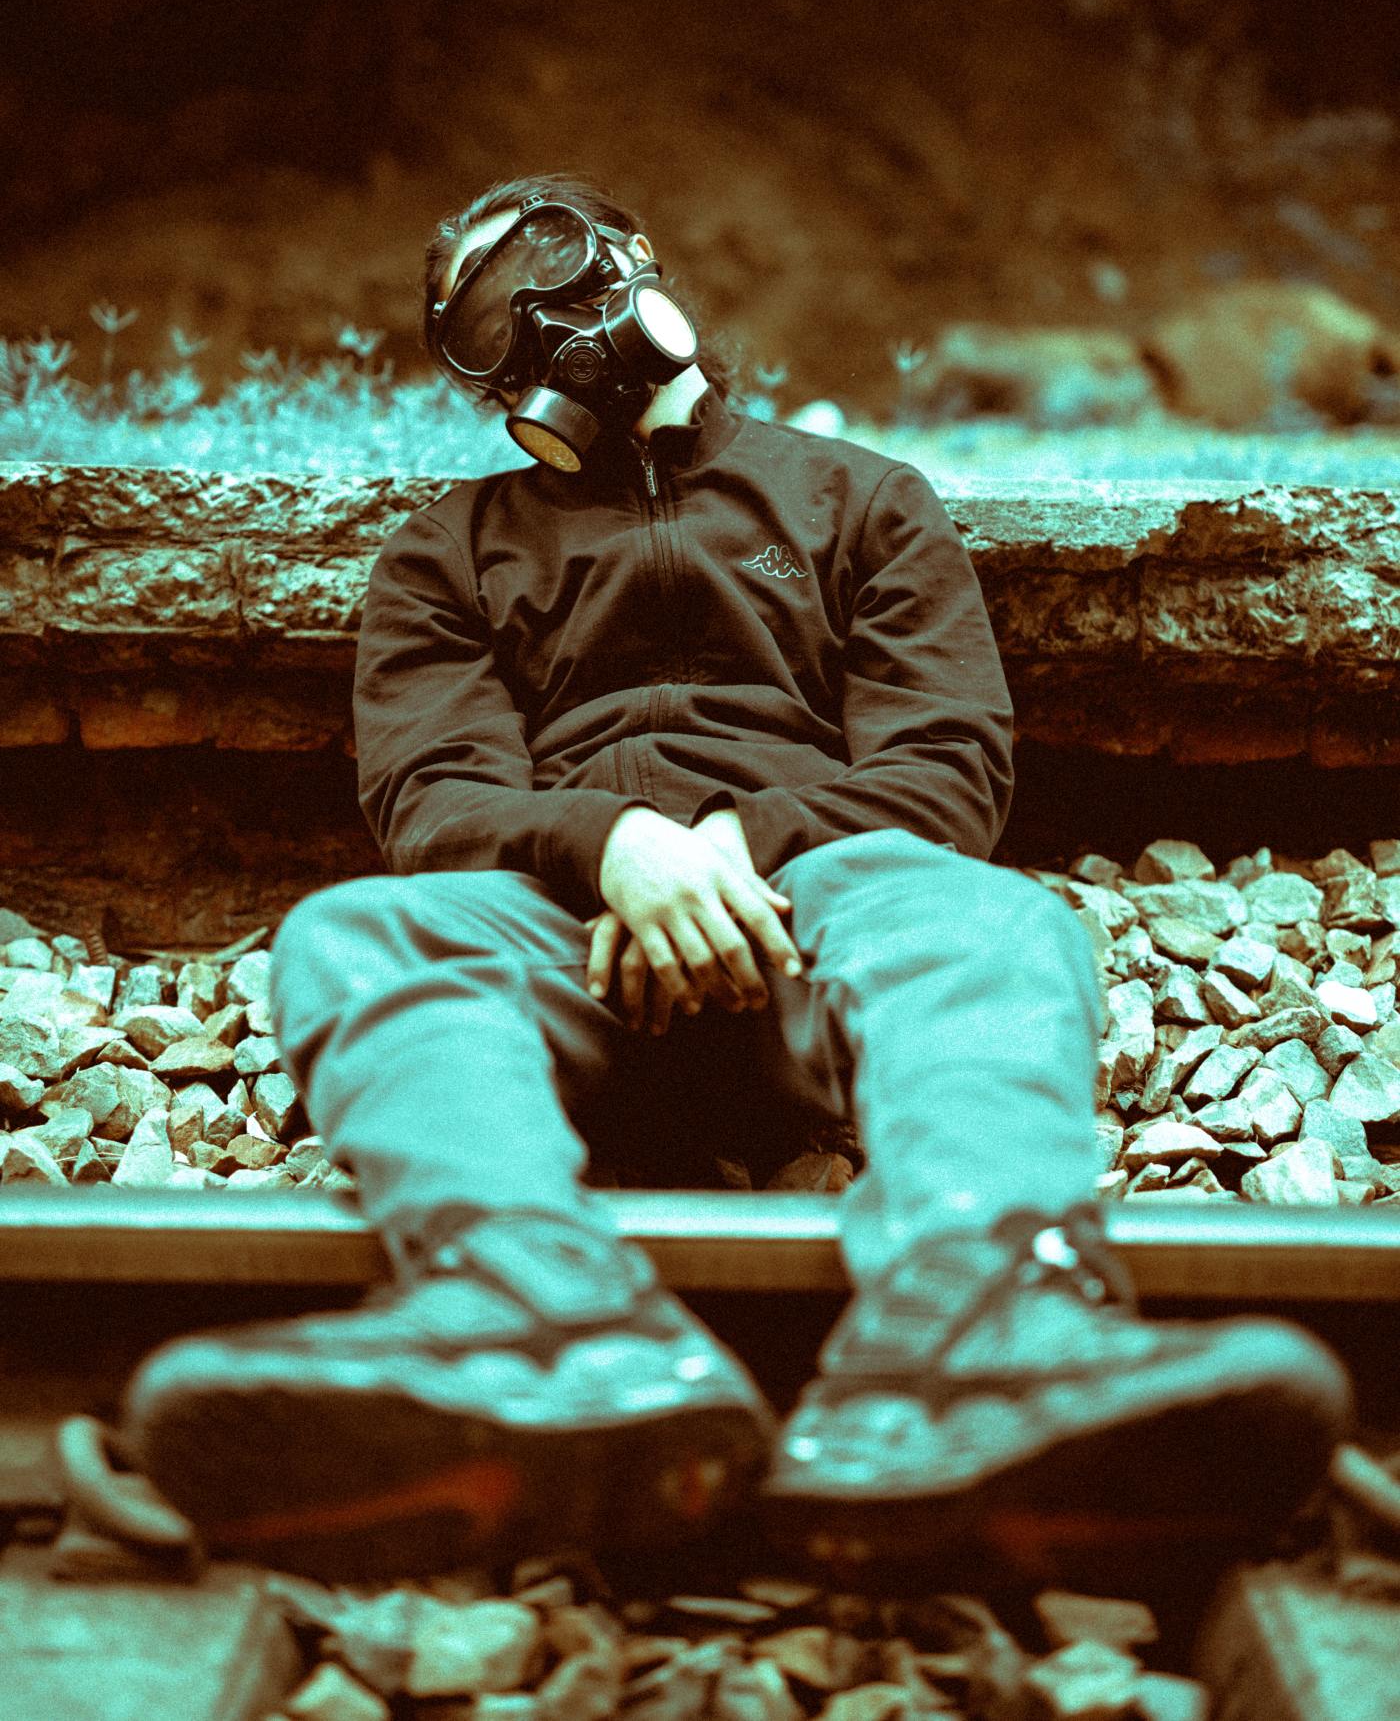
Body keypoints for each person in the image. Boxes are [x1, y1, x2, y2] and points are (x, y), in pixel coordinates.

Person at [120, 174, 1350, 1584]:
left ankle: (989, 1328)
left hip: (811, 930)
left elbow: (947, 772)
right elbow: (434, 802)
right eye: (495, 328)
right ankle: (537, 1328)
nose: (548, 327)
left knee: (990, 920)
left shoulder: (861, 501)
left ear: (637, 262)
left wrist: (724, 851)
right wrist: (612, 851)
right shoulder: (445, 557)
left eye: (560, 272)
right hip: (568, 952)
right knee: (354, 935)